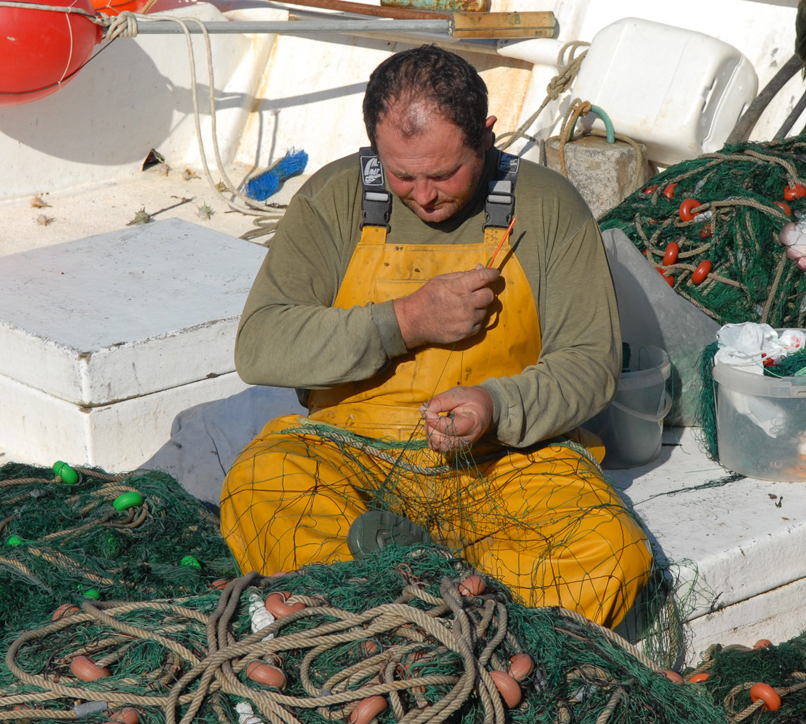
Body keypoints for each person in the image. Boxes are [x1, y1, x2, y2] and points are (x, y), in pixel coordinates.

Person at [220, 45, 652, 629]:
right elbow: (261, 345)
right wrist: (404, 321)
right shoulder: (333, 198)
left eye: (445, 173)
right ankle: (467, 604)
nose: (423, 196)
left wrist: (497, 406)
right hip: (348, 451)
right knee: (258, 485)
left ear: (487, 136)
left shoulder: (550, 207)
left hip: (507, 461)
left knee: (612, 554)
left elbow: (589, 365)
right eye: (401, 174)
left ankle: (401, 597)